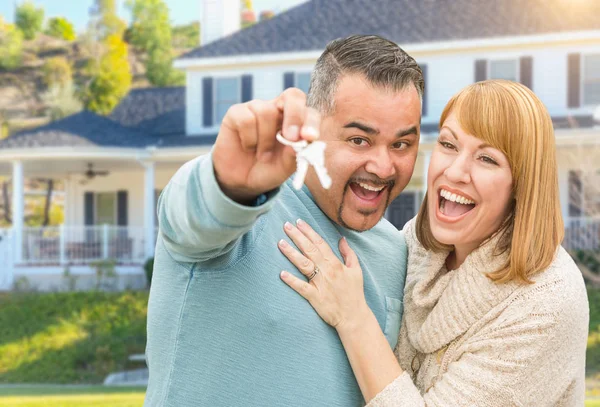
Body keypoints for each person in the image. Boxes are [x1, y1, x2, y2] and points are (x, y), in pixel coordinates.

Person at [144, 35, 424, 406]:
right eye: (359, 140)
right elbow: (190, 218)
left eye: (401, 145)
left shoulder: (398, 252)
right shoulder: (243, 211)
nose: (383, 166)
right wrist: (227, 185)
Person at [278, 79, 589, 406]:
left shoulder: (546, 303)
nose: (455, 171)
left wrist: (353, 318)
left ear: (521, 185)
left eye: (487, 159)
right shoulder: (418, 245)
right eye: (449, 145)